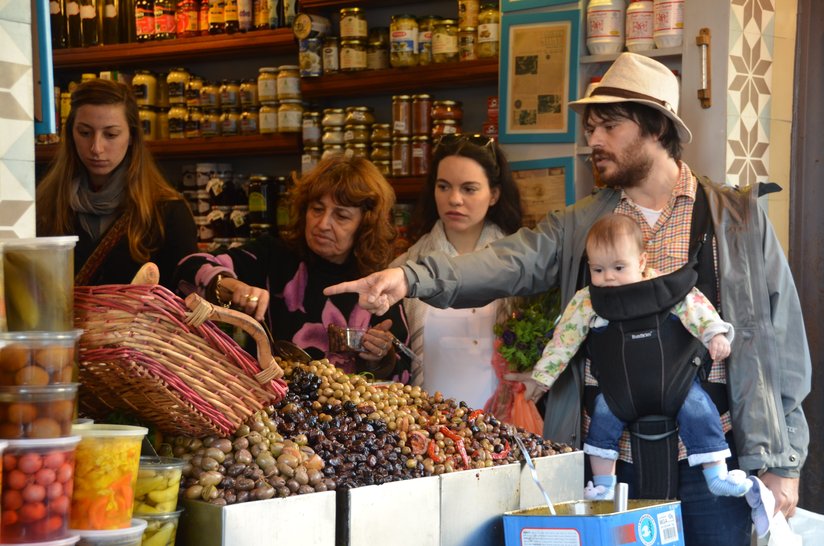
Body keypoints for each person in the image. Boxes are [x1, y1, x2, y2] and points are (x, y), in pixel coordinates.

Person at [324, 52, 810, 545]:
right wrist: (412, 277)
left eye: (609, 126)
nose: (592, 140)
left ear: (658, 129)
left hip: (711, 464)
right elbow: (506, 261)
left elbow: (782, 347)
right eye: (590, 127)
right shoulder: (580, 224)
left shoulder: (738, 220)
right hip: (608, 466)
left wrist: (783, 461)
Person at [531, 214, 757, 505]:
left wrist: (715, 335)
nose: (608, 277)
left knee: (702, 410)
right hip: (618, 392)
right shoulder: (588, 300)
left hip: (675, 385)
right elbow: (564, 339)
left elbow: (696, 307)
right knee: (600, 419)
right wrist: (542, 377)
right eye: (598, 269)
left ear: (641, 262)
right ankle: (603, 485)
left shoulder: (664, 287)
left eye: (618, 267)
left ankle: (716, 475)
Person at [174, 153, 411, 382]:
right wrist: (228, 285)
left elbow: (404, 374)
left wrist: (379, 358)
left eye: (341, 216)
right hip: (269, 413)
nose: (323, 224)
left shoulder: (379, 283)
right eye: (317, 209)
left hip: (352, 419)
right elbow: (188, 268)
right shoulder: (273, 257)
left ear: (365, 224)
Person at [389, 134, 523, 408]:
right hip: (425, 425)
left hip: (500, 425)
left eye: (469, 189)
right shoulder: (404, 269)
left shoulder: (518, 265)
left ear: (494, 194)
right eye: (444, 186)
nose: (455, 199)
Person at [36, 78, 197, 289]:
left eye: (111, 134)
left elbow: (186, 299)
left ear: (132, 136)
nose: (96, 147)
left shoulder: (168, 212)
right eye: (84, 133)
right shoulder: (44, 205)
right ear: (70, 134)